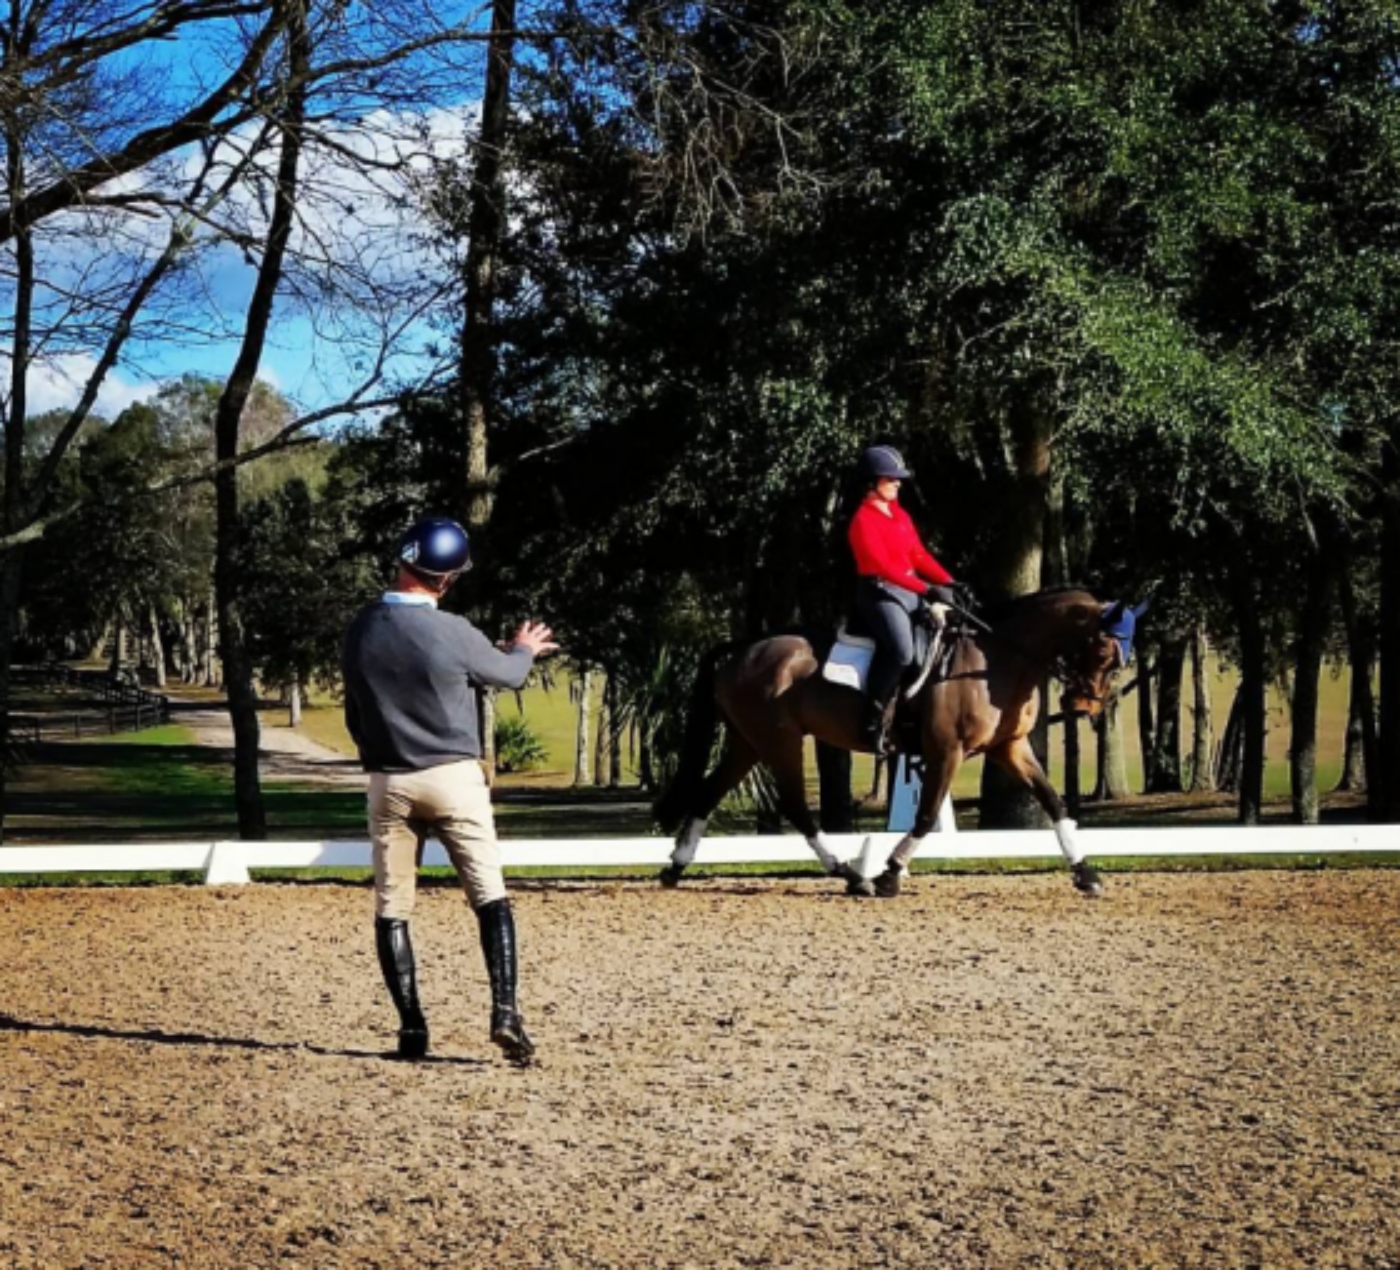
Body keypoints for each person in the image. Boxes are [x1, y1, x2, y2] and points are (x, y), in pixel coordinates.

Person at [341, 516, 558, 1065]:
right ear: (448, 578)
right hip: (454, 778)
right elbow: (508, 675)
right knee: (490, 896)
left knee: (393, 906)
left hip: (389, 779)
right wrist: (524, 647)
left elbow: (354, 712)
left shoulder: (360, 629)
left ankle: (412, 1029)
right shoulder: (453, 631)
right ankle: (505, 1013)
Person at [846, 445, 960, 753]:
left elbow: (918, 555)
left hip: (908, 589)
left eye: (898, 479)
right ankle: (873, 718)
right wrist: (926, 589)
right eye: (891, 478)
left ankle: (916, 716)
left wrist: (948, 581)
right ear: (872, 482)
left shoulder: (900, 515)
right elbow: (882, 566)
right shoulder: (862, 521)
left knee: (940, 644)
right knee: (902, 651)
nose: (898, 483)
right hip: (879, 593)